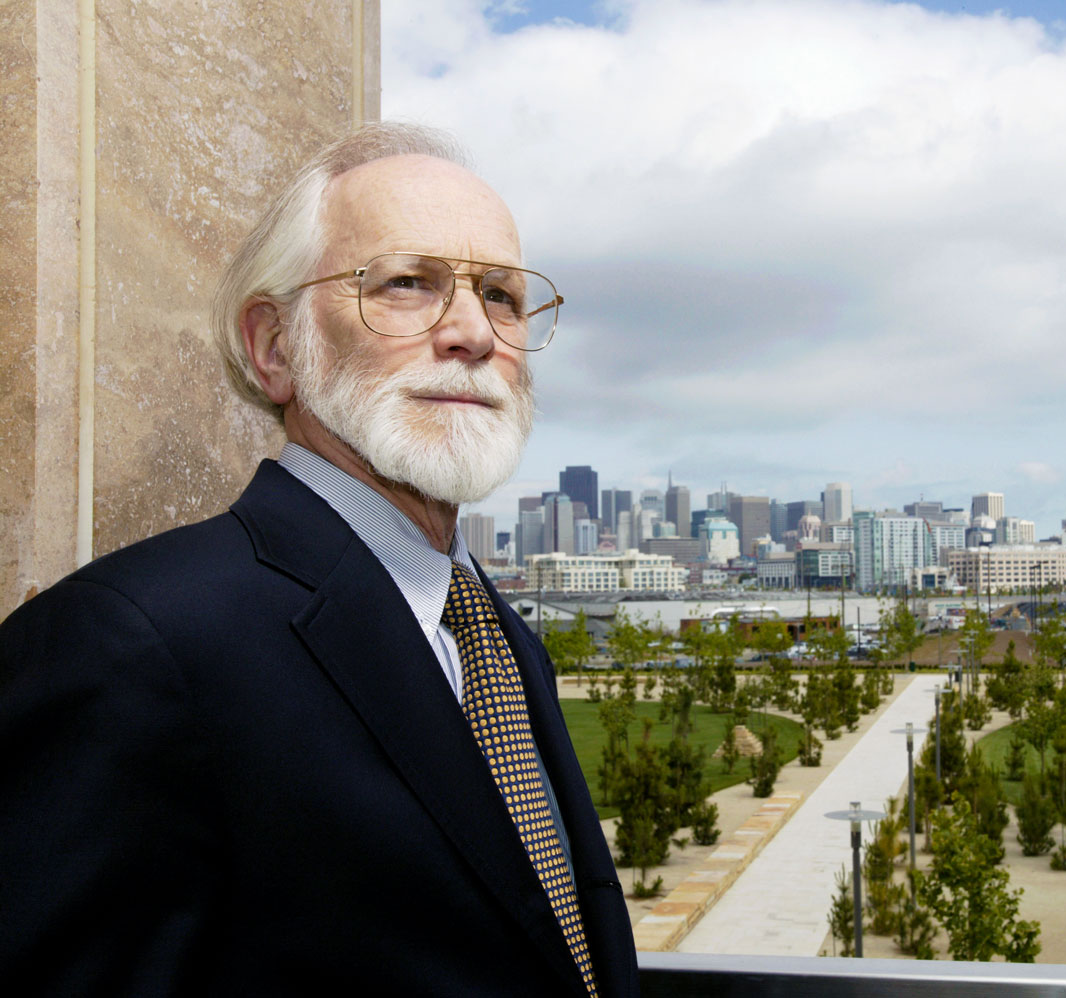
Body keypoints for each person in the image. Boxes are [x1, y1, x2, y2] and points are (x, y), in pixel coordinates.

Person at [0, 123, 639, 997]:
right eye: (409, 284)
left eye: (502, 296)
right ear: (275, 347)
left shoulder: (501, 640)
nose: (472, 333)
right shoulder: (129, 642)